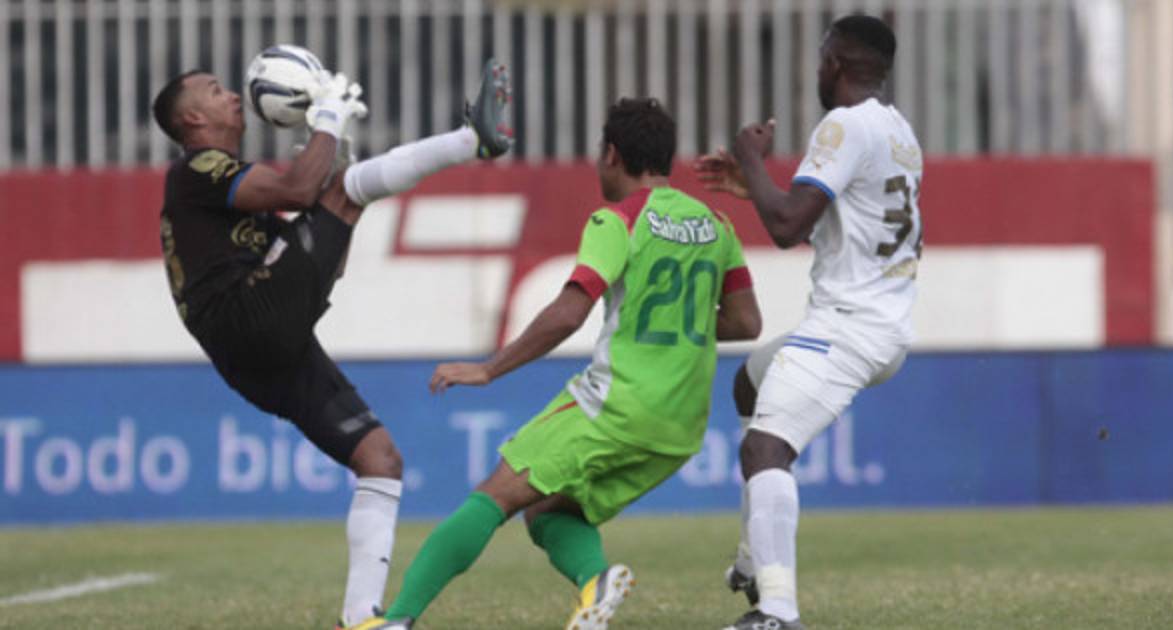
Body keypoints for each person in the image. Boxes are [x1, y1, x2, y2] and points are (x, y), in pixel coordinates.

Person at [358, 97, 761, 630]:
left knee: (493, 497)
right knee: (547, 510)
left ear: (612, 154)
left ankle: (397, 620)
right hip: (680, 428)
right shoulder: (716, 225)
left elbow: (570, 312)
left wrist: (488, 369)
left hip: (615, 407)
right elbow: (746, 322)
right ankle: (596, 581)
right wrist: (670, 327)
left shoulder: (617, 220)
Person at [151, 58, 512, 630]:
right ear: (192, 119)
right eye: (216, 91)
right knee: (343, 189)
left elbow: (326, 264)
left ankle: (359, 619)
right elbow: (300, 189)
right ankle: (472, 141)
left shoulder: (229, 198)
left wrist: (337, 172)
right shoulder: (196, 169)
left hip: (258, 348)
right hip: (248, 318)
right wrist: (326, 120)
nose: (233, 96)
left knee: (380, 459)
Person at [694, 15, 922, 630]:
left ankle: (777, 611)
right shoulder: (899, 131)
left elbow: (786, 226)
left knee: (765, 447)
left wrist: (751, 158)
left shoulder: (843, 125)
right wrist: (757, 187)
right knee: (750, 383)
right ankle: (753, 558)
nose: (817, 71)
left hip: (848, 327)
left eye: (822, 59)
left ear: (837, 63)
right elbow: (833, 224)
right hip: (883, 323)